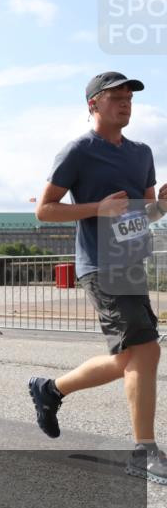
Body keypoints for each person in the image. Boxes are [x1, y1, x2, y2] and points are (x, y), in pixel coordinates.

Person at [30, 71, 167, 485]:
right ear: (92, 104)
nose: (125, 103)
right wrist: (96, 208)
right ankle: (144, 451)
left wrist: (160, 206)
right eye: (115, 97)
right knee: (146, 351)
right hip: (99, 265)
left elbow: (143, 216)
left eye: (129, 97)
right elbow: (45, 210)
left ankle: (51, 389)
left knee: (130, 358)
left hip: (131, 264)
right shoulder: (78, 151)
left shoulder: (142, 153)